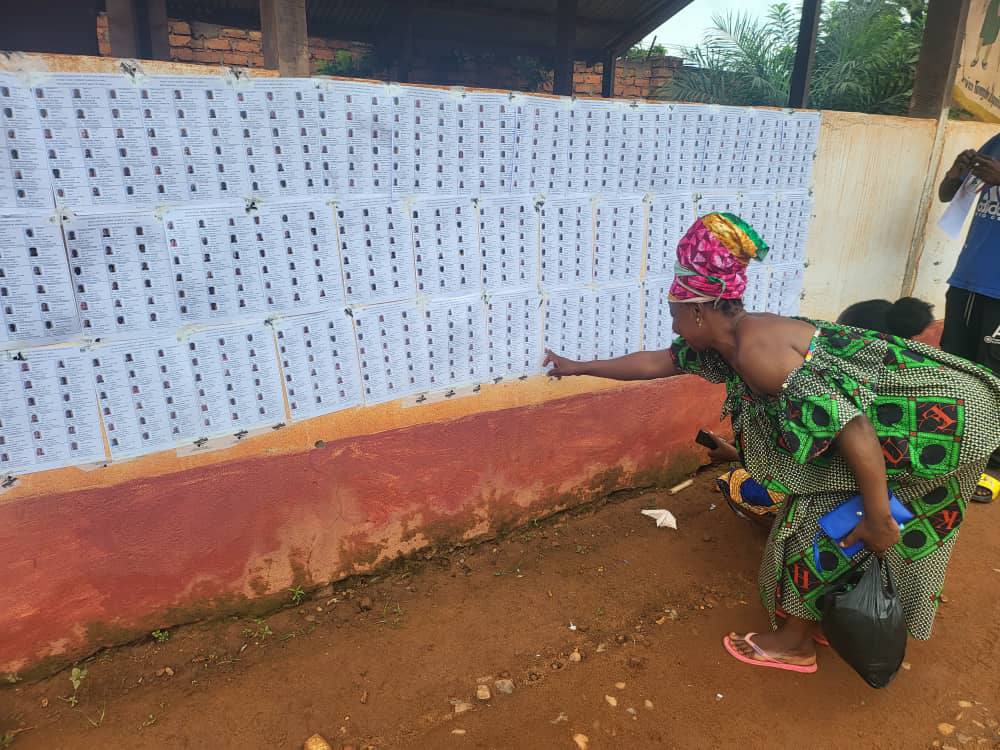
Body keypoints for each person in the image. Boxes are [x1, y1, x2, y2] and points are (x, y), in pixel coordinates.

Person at [544, 212, 1000, 673]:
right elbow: (658, 362)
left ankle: (795, 643)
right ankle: (827, 616)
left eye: (676, 315)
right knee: (841, 521)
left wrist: (879, 514)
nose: (676, 328)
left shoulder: (758, 354)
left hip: (942, 428)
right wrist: (579, 367)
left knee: (824, 526)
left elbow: (854, 428)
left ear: (699, 311)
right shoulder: (730, 341)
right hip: (906, 428)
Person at [939, 142, 1000, 501]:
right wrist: (956, 172)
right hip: (967, 279)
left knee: (995, 374)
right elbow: (948, 195)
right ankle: (951, 448)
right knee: (954, 366)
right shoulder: (995, 142)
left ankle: (992, 465)